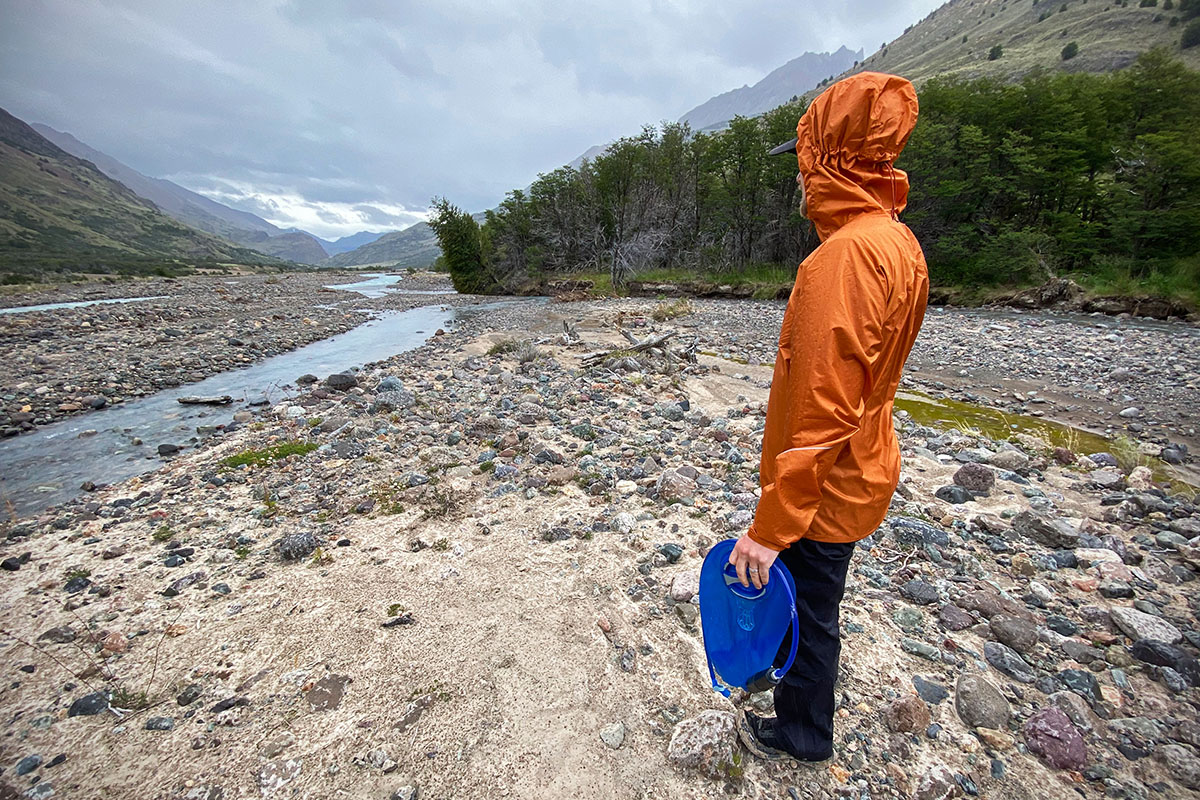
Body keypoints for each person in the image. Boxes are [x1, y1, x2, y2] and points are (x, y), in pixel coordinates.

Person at [728, 71, 929, 762]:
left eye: (804, 158)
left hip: (824, 489)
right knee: (818, 607)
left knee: (808, 614)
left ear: (831, 156)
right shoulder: (896, 241)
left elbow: (823, 410)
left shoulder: (841, 260)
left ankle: (804, 735)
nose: (799, 176)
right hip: (862, 467)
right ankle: (805, 724)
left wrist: (770, 527)